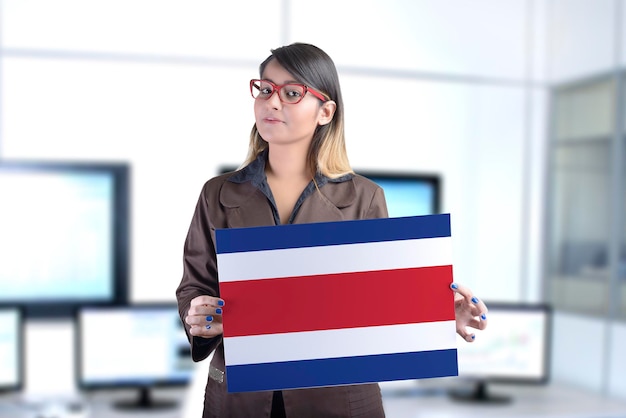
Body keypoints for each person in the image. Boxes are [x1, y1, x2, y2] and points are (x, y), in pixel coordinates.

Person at [176, 42, 488, 418]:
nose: (272, 103)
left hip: (336, 400)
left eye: (292, 93)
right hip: (239, 400)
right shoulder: (219, 193)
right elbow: (195, 286)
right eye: (265, 89)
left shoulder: (365, 197)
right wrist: (198, 316)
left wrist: (433, 318)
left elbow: (379, 301)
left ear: (325, 112)